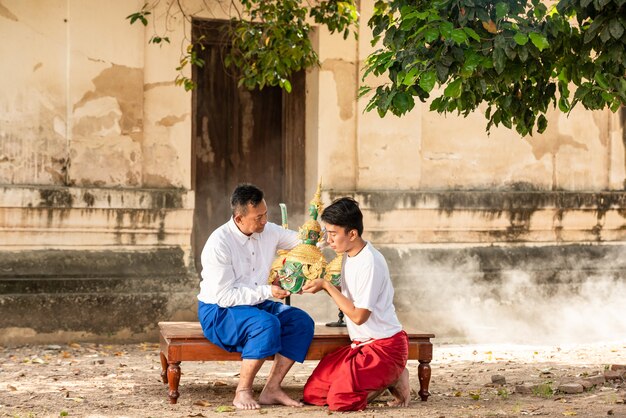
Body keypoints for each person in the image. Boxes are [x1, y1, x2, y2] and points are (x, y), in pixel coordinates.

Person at [197, 183, 314, 410]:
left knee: (301, 321)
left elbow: (304, 243)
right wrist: (268, 291)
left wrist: (326, 234)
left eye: (265, 214)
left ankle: (272, 388)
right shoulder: (219, 243)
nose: (263, 221)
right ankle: (242, 391)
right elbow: (225, 296)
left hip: (256, 305)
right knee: (266, 323)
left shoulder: (267, 230)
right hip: (218, 311)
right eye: (257, 218)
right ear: (239, 218)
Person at [302, 197, 410, 411]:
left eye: (333, 234)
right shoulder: (349, 254)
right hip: (361, 346)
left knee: (340, 401)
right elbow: (351, 296)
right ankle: (381, 378)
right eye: (327, 233)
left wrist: (326, 285)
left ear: (352, 234)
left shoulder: (370, 262)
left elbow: (359, 316)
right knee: (313, 393)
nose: (329, 240)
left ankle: (394, 376)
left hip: (385, 348)